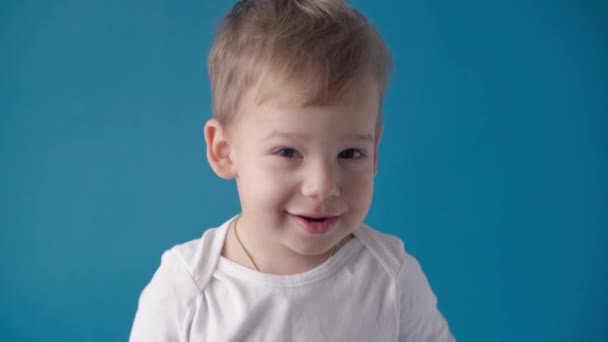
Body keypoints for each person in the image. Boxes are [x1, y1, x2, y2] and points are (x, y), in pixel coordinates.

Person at [130, 0, 455, 340]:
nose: (322, 186)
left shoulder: (391, 278)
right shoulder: (187, 289)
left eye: (350, 153)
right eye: (287, 152)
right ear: (224, 151)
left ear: (374, 153)